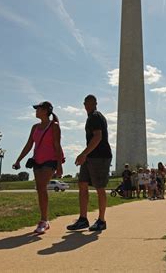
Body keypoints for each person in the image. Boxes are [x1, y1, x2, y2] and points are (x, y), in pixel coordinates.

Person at [13, 101, 63, 234]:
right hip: (37, 161)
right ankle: (44, 219)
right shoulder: (35, 127)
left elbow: (57, 146)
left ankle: (44, 220)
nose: (36, 111)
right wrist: (18, 160)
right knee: (40, 189)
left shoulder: (54, 126)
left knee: (41, 186)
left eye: (38, 109)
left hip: (50, 160)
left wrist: (59, 166)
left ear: (46, 110)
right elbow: (29, 145)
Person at [67, 94, 112, 231]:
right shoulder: (92, 117)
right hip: (90, 157)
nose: (87, 105)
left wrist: (83, 154)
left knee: (99, 188)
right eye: (85, 103)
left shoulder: (95, 116)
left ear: (95, 103)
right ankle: (83, 219)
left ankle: (101, 220)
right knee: (82, 184)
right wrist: (86, 155)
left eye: (90, 102)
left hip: (100, 156)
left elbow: (98, 137)